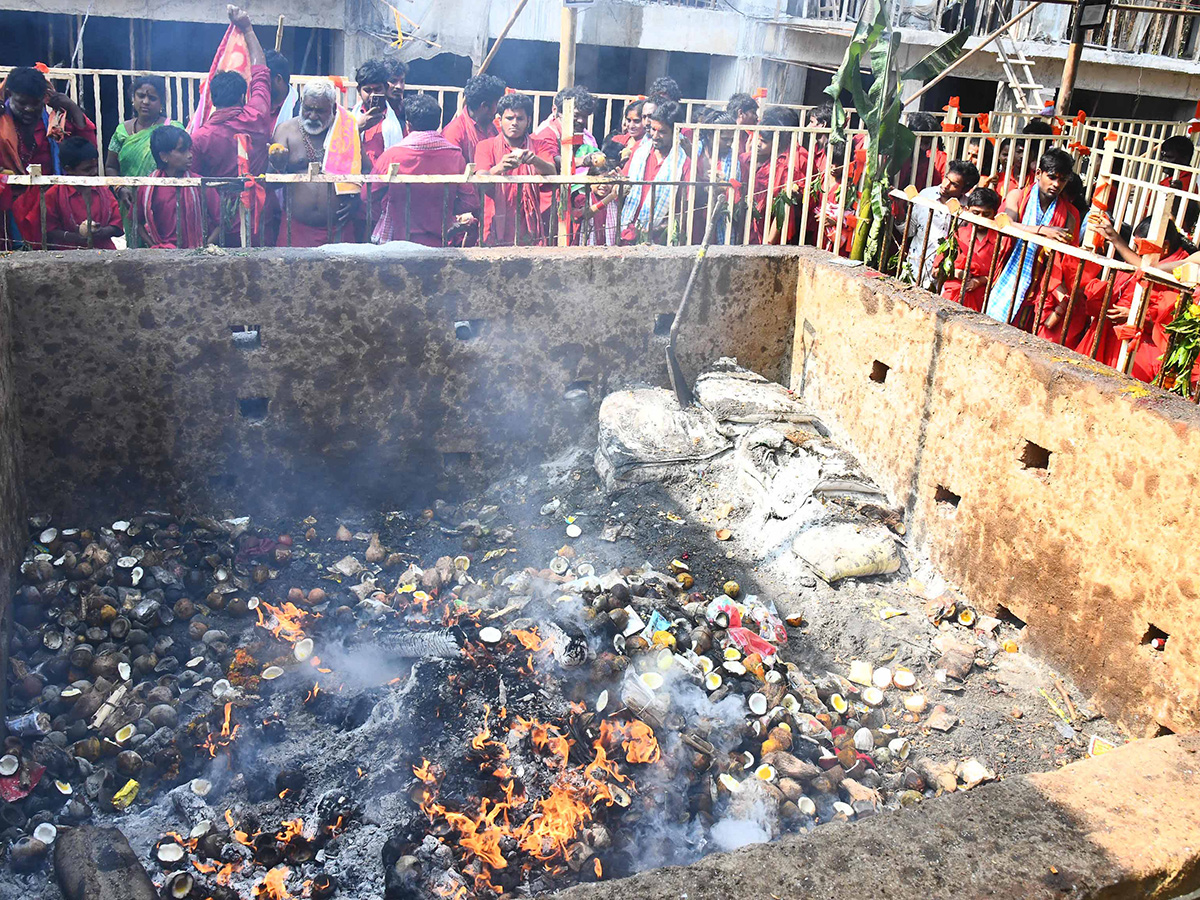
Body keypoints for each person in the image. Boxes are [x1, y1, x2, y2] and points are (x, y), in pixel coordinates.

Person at [1076, 214, 1194, 381]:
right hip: (1116, 337)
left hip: (1146, 350)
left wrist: (1135, 315)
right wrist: (1114, 238)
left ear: (1165, 247)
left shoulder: (1182, 270)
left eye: (1141, 247)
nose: (1137, 252)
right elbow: (1143, 270)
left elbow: (1171, 323)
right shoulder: (1154, 263)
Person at [0, 65, 97, 249]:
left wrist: (71, 107)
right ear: (10, 94)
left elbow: (87, 148)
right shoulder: (1, 121)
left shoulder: (54, 123)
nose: (29, 109)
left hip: (51, 207)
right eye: (22, 103)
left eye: (35, 103)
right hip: (8, 210)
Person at [986, 148, 1081, 332]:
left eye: (1062, 180)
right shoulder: (1018, 196)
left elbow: (1065, 261)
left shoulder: (1069, 215)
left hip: (1037, 288)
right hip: (1004, 274)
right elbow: (1005, 223)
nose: (1056, 184)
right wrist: (1042, 231)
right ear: (1038, 173)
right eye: (1052, 177)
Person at [366, 94, 475, 247]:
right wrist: (445, 208)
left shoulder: (392, 155)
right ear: (438, 124)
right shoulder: (455, 156)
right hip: (440, 240)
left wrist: (389, 210)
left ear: (408, 125)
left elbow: (367, 196)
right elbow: (469, 201)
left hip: (398, 242)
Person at [269, 78, 363, 247]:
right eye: (308, 109)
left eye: (320, 111)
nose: (312, 116)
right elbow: (271, 181)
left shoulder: (346, 129)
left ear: (333, 108)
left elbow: (367, 172)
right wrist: (277, 166)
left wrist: (356, 198)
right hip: (296, 229)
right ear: (302, 103)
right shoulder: (285, 131)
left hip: (338, 229)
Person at [191, 5, 273, 178]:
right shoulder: (256, 116)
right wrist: (248, 28)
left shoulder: (199, 138)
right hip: (256, 202)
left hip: (216, 204)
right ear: (242, 97)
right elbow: (261, 70)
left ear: (212, 99)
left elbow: (194, 180)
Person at [473, 92, 555, 246]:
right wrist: (499, 168)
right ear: (499, 120)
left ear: (528, 121)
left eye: (520, 118)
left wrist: (535, 160)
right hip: (493, 226)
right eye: (509, 118)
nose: (514, 123)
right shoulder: (485, 146)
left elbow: (552, 171)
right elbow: (480, 179)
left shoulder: (540, 145)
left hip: (528, 227)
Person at [106, 74, 177, 240]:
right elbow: (111, 166)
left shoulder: (173, 129)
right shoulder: (121, 131)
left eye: (152, 98)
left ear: (161, 103)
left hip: (163, 202)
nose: (145, 102)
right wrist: (120, 189)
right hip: (130, 201)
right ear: (133, 98)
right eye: (141, 96)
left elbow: (182, 164)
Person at [620, 100, 694, 244]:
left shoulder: (683, 164)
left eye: (662, 132)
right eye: (653, 129)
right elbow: (624, 184)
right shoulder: (639, 152)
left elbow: (685, 210)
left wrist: (658, 228)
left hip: (658, 241)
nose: (655, 135)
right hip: (627, 233)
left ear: (676, 132)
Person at [136, 125, 221, 248]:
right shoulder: (148, 187)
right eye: (182, 150)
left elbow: (222, 222)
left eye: (189, 149)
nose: (190, 155)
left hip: (196, 256)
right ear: (163, 156)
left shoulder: (200, 184)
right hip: (162, 256)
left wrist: (205, 246)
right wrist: (154, 247)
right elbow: (136, 221)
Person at [906, 159, 980, 289]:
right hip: (915, 267)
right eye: (946, 178)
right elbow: (909, 231)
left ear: (965, 189)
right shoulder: (925, 195)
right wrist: (900, 212)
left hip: (944, 278)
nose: (945, 185)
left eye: (954, 184)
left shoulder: (968, 211)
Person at [42, 137, 122, 250]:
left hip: (104, 252)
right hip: (67, 255)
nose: (94, 172)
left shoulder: (103, 190)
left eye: (95, 166)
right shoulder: (54, 194)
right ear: (69, 170)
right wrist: (74, 237)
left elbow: (117, 226)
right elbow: (48, 230)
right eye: (87, 169)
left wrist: (102, 232)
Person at [747, 106, 808, 245]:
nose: (758, 143)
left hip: (774, 225)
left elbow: (786, 205)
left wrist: (768, 243)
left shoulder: (793, 159)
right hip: (757, 220)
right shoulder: (764, 154)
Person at [939, 187, 1003, 312]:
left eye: (986, 214)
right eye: (976, 213)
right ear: (967, 210)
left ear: (994, 214)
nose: (980, 218)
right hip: (952, 294)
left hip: (982, 300)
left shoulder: (1000, 241)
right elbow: (938, 269)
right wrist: (956, 273)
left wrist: (980, 281)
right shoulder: (957, 235)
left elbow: (1001, 275)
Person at [441, 74, 505, 167]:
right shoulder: (454, 132)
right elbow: (453, 173)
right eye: (497, 104)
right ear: (484, 106)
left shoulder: (493, 127)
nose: (499, 109)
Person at [355, 58, 405, 171]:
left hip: (384, 182)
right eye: (367, 90)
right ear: (359, 90)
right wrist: (356, 129)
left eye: (377, 90)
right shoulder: (350, 117)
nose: (373, 95)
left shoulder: (398, 121)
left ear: (386, 88)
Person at [901, 111, 947, 191]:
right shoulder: (898, 158)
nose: (926, 147)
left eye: (929, 142)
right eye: (923, 142)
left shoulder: (930, 162)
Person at [266, 50, 299, 133]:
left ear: (278, 79)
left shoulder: (298, 113)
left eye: (263, 80)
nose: (259, 85)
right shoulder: (254, 103)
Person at [386, 58, 409, 131]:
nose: (399, 86)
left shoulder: (407, 110)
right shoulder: (370, 112)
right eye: (393, 81)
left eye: (402, 81)